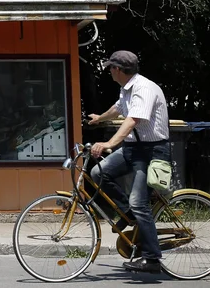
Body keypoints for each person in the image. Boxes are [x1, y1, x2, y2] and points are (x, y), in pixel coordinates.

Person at [88, 50, 171, 274]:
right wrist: (100, 118)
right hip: (133, 149)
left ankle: (152, 258)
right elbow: (118, 109)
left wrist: (108, 144)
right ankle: (129, 213)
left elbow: (132, 120)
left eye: (110, 68)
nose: (109, 71)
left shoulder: (143, 88)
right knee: (98, 174)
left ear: (118, 69)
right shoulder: (127, 88)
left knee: (139, 201)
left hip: (152, 151)